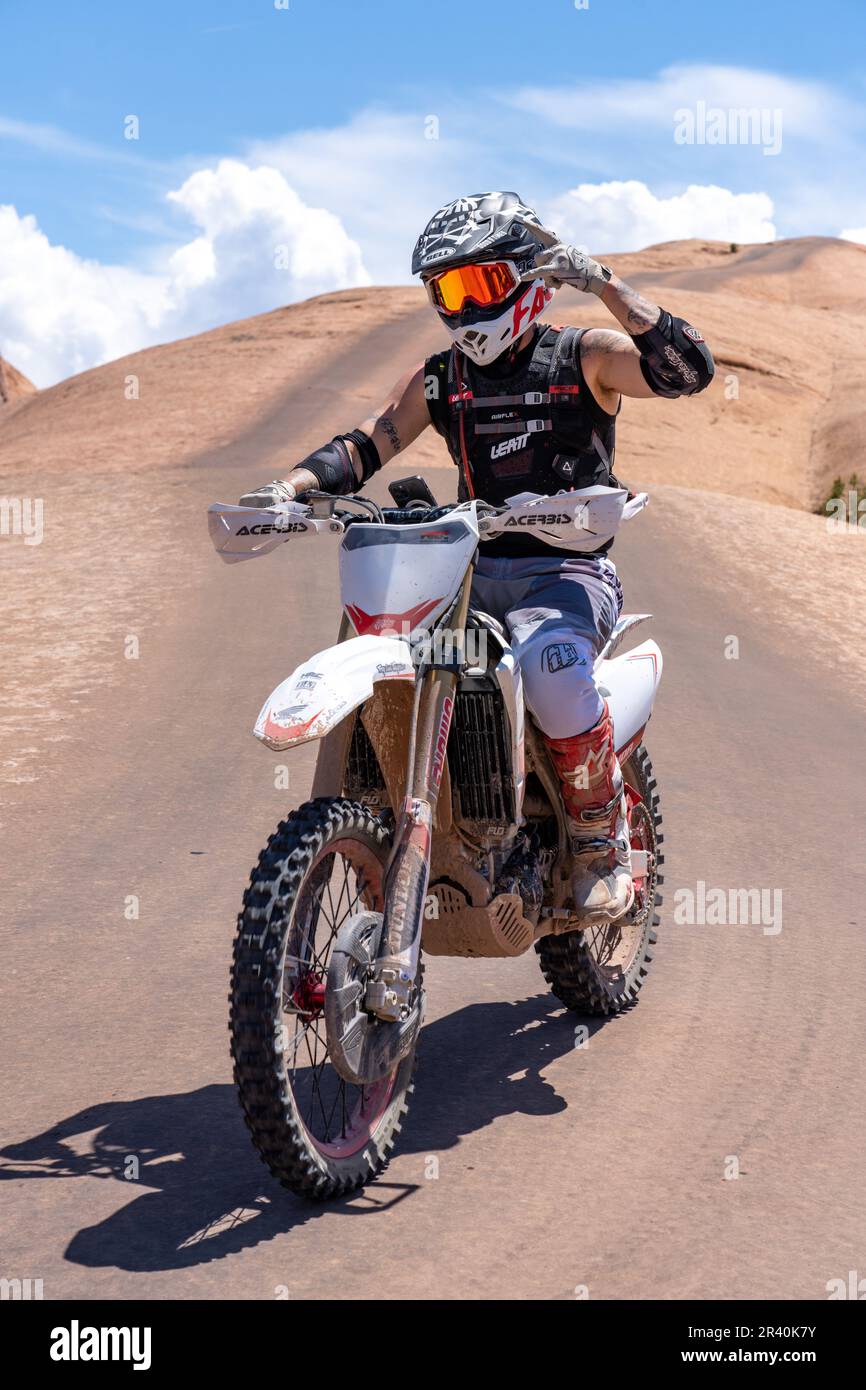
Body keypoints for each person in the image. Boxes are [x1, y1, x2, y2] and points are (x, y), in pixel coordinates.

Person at [239, 191, 714, 926]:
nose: (463, 308)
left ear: (527, 278)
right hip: (465, 579)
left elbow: (687, 370)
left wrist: (604, 282)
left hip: (567, 576)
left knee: (551, 669)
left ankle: (597, 845)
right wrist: (290, 488)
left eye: (479, 284)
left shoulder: (583, 356)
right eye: (447, 290)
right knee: (395, 655)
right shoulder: (444, 378)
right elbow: (370, 443)